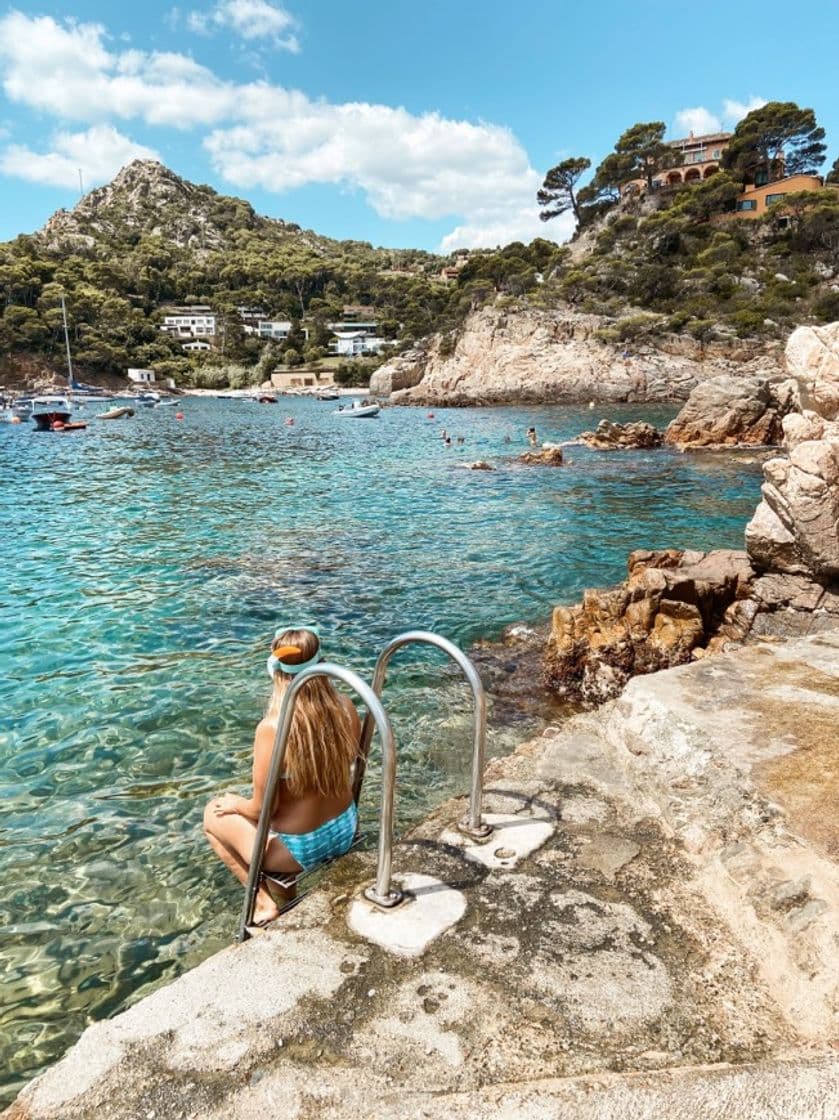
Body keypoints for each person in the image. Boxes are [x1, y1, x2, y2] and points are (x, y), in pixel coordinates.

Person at [204, 624, 361, 926]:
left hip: (300, 850)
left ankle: (265, 904)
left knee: (213, 814)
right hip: (345, 827)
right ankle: (287, 896)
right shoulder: (345, 706)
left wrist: (236, 803)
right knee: (281, 821)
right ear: (321, 664)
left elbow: (263, 810)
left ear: (276, 672)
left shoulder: (273, 728)